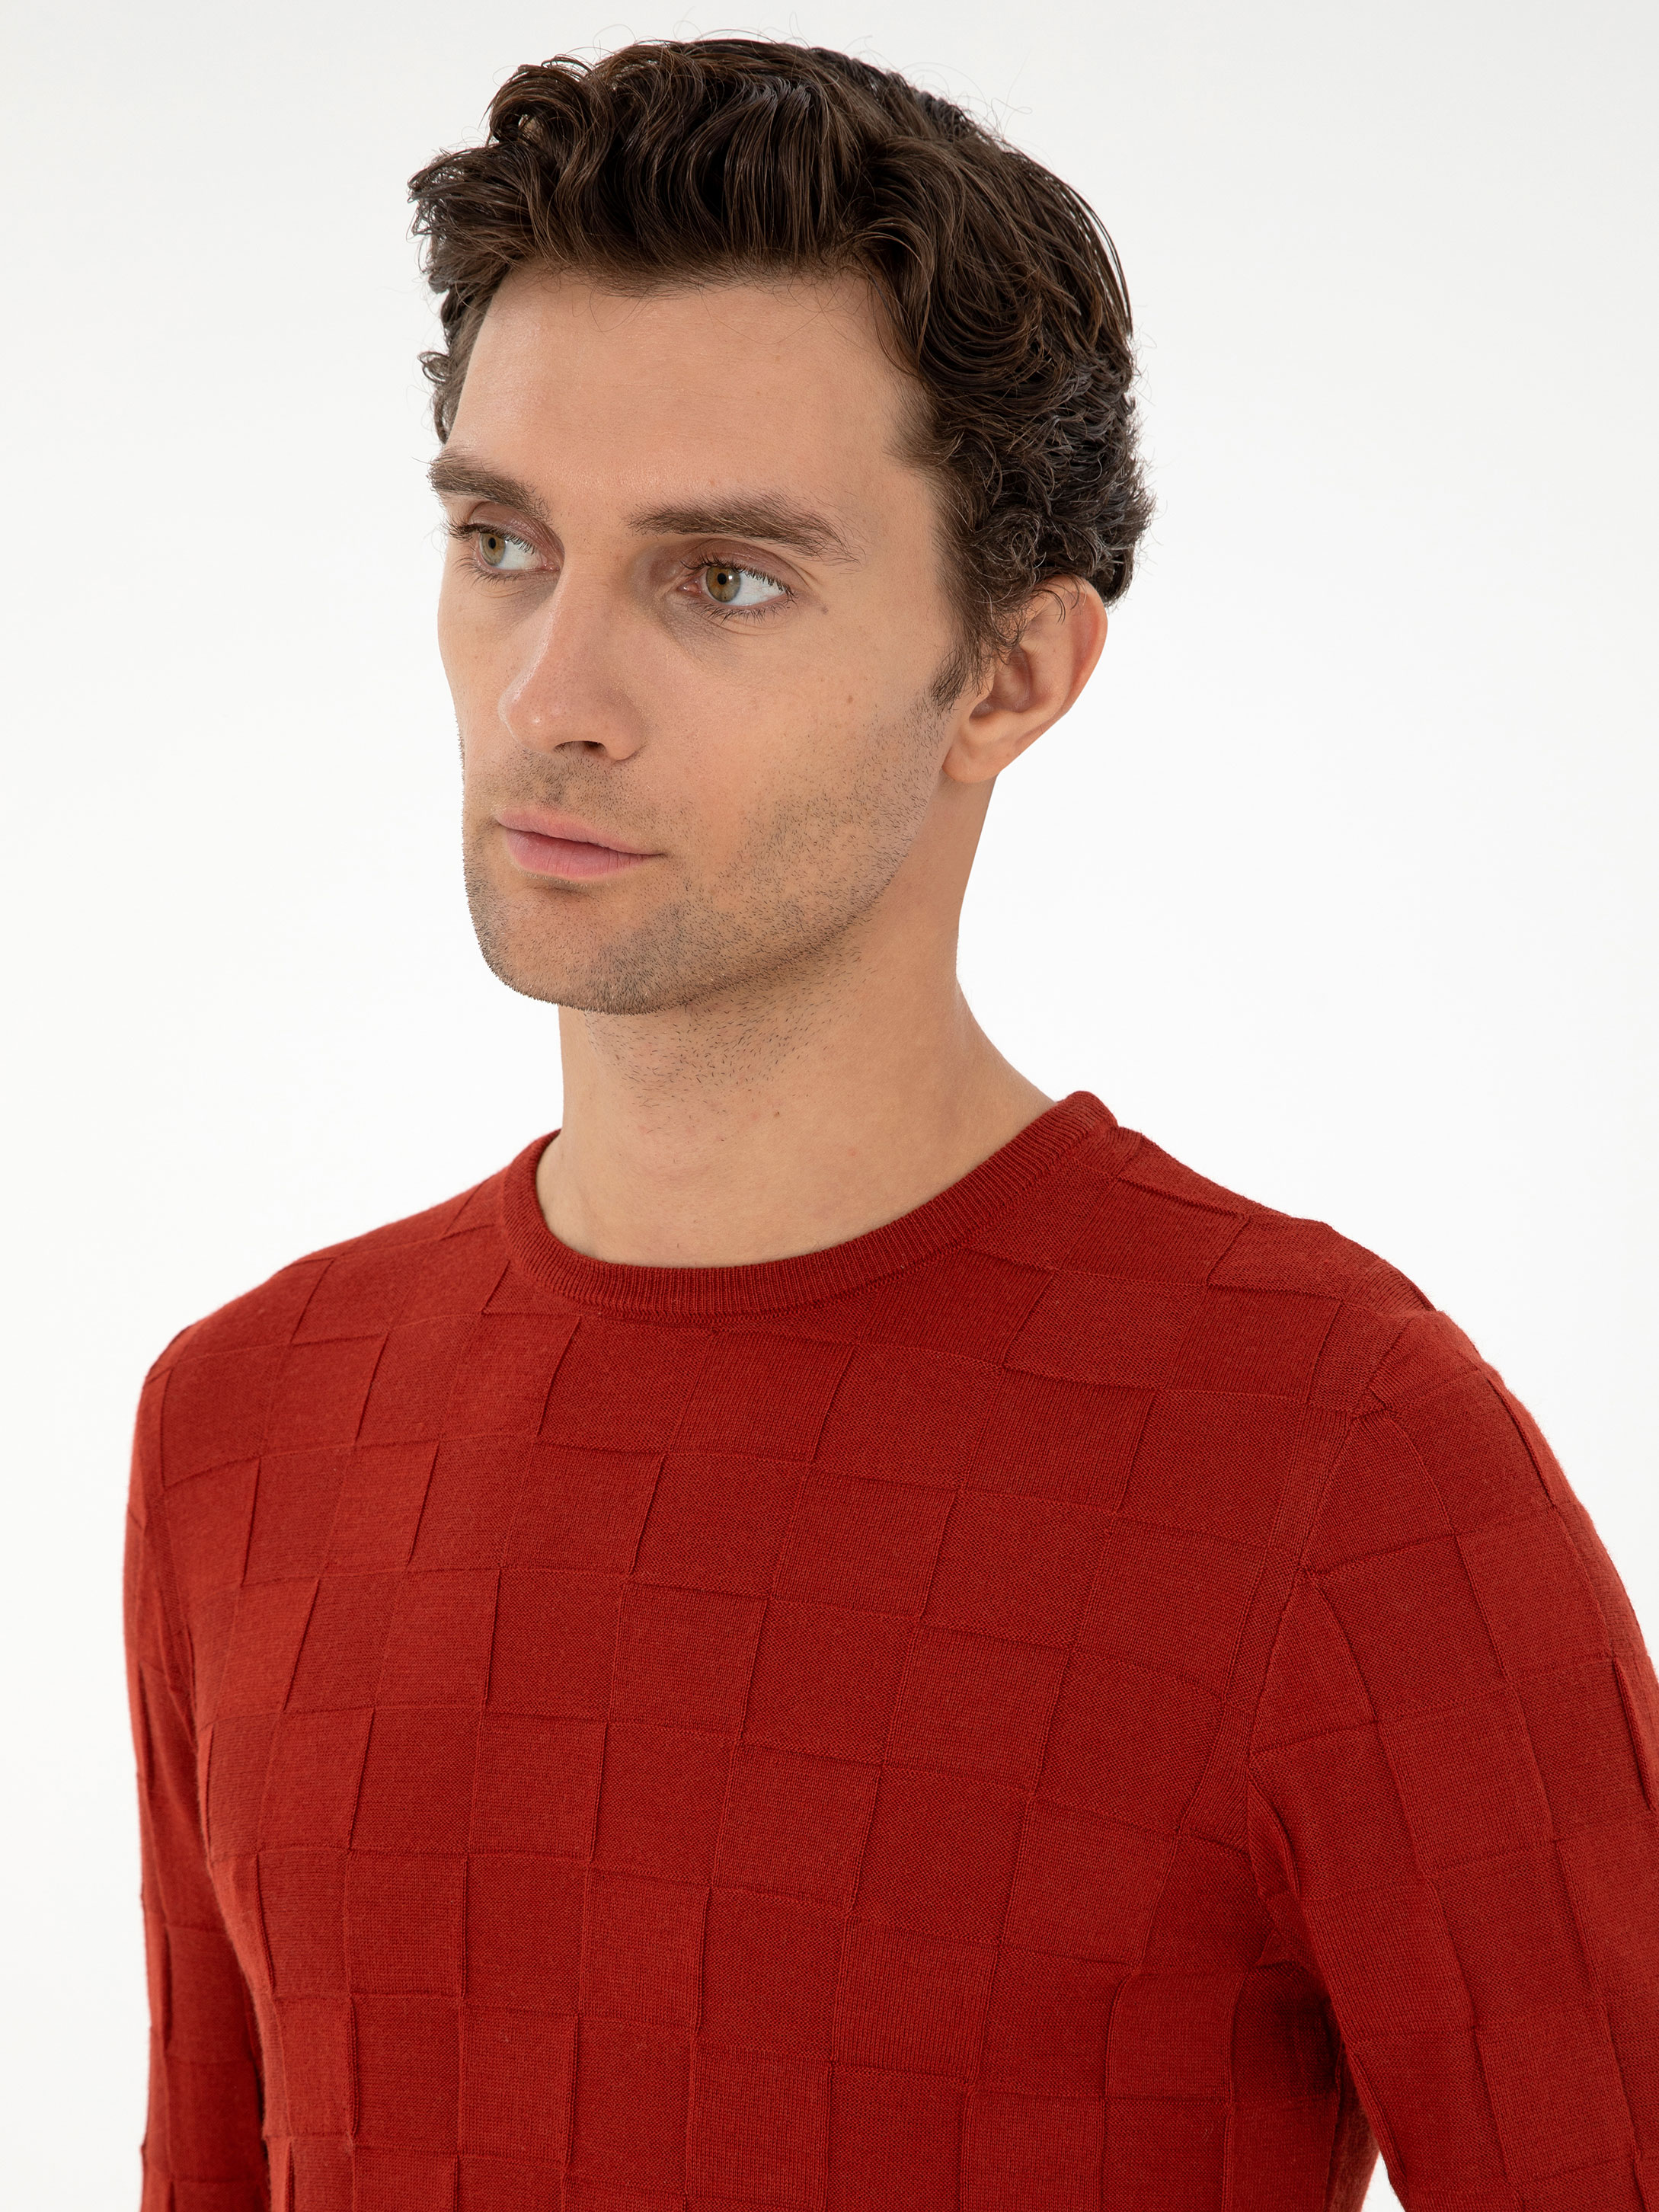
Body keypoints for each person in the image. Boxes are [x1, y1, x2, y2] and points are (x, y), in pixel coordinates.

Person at [123, 37, 1659, 2212]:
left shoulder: (1345, 1457)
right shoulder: (248, 1425)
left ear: (1011, 675)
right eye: (502, 542)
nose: (551, 696)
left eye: (723, 578)